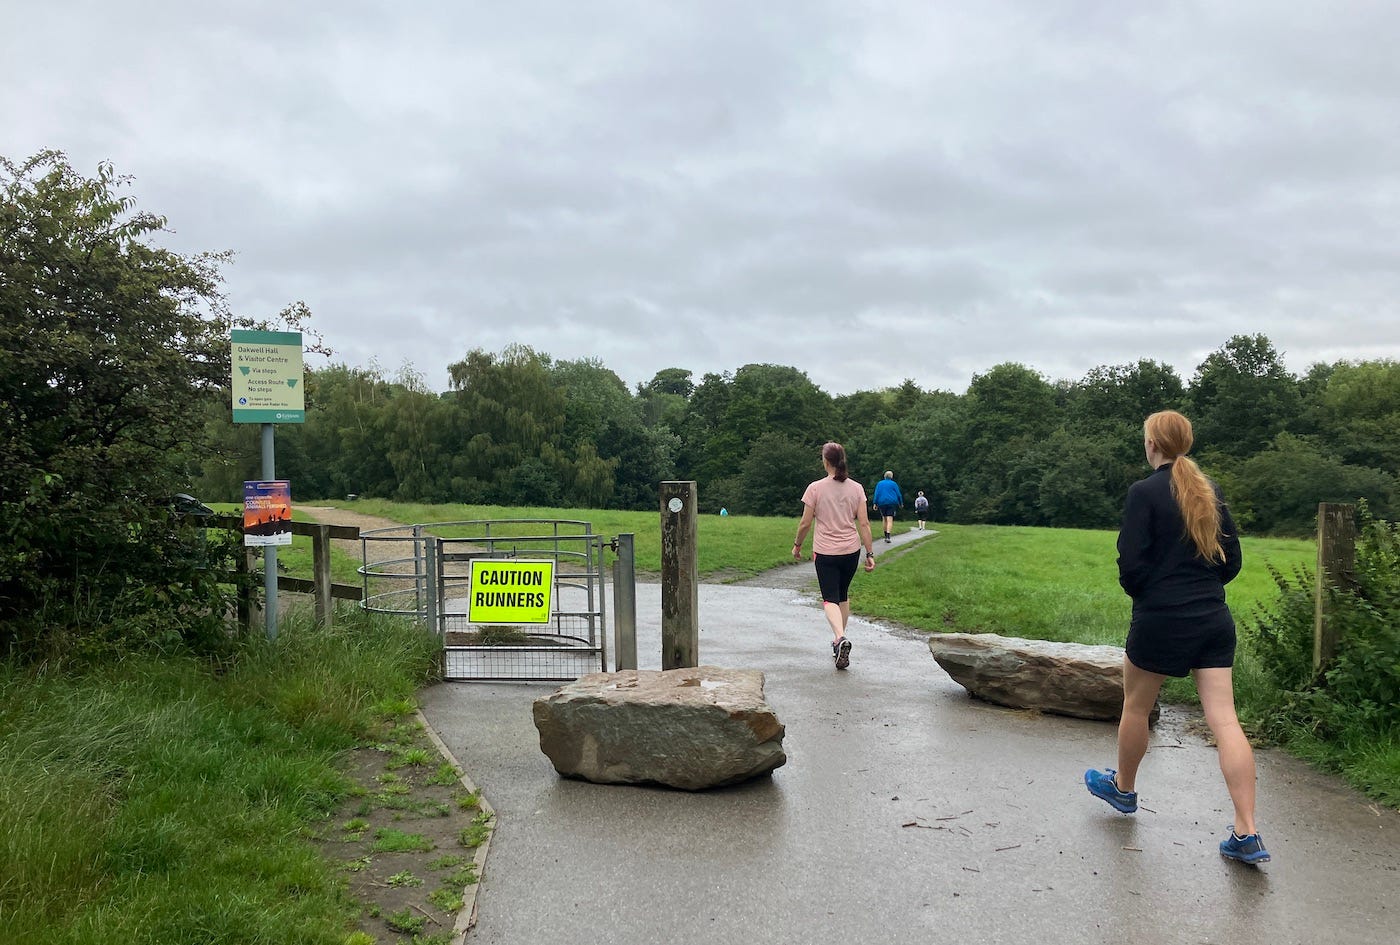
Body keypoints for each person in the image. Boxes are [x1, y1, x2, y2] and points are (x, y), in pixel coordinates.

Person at [1084, 410, 1269, 864]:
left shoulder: (1143, 493)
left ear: (1152, 444)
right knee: (1225, 721)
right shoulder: (1211, 491)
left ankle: (1124, 789)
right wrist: (1200, 592)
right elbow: (1232, 562)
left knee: (1136, 705)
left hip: (1160, 619)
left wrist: (1154, 597)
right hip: (1213, 620)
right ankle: (1247, 833)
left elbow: (1131, 565)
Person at [792, 442, 876, 670]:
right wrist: (869, 553)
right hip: (851, 550)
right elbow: (865, 523)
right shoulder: (857, 488)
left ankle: (839, 638)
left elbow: (805, 523)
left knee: (829, 598)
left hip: (826, 551)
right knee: (842, 596)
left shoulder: (815, 488)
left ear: (825, 461)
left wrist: (797, 545)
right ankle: (839, 640)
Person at [872, 470, 903, 543]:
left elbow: (877, 493)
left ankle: (885, 535)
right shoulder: (893, 484)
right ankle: (888, 536)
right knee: (890, 519)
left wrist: (875, 503)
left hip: (882, 502)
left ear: (884, 476)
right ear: (891, 477)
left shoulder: (879, 484)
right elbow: (898, 494)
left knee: (884, 518)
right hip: (891, 502)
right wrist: (900, 503)